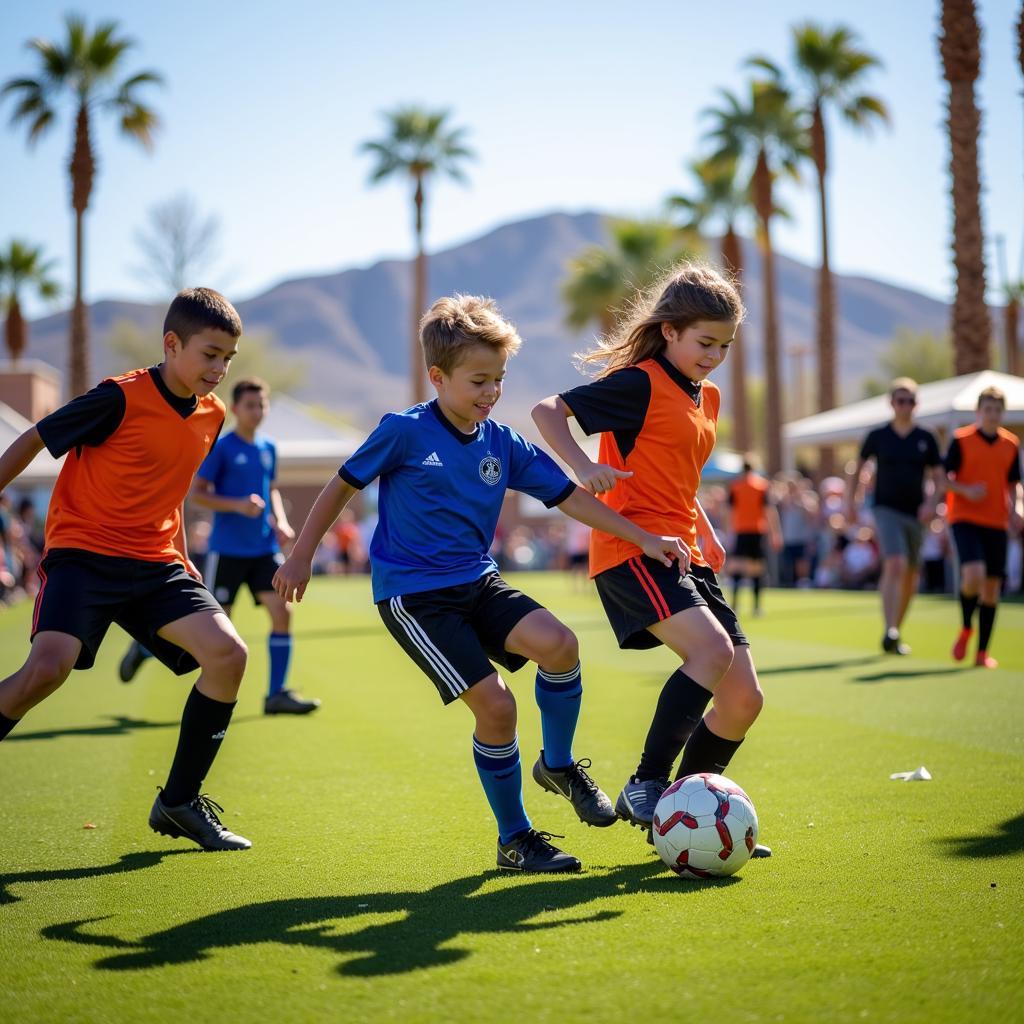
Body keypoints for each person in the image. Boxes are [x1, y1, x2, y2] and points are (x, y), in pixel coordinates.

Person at [273, 294, 687, 873]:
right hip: (415, 597)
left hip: (478, 580)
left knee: (561, 645)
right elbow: (341, 485)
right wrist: (300, 555)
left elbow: (568, 497)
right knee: (496, 708)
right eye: (478, 381)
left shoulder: (503, 442)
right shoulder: (404, 432)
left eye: (498, 380)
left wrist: (642, 537)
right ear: (438, 377)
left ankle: (560, 765)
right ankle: (515, 838)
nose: (491, 393)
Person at [532, 263, 770, 858]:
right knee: (711, 654)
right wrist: (581, 468)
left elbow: (679, 475)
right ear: (669, 331)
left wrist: (708, 530)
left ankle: (686, 818)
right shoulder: (638, 383)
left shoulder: (706, 396)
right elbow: (546, 412)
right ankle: (647, 784)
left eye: (725, 345)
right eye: (704, 342)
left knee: (743, 701)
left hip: (685, 552)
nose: (714, 355)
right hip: (632, 547)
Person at [0, 287, 250, 850]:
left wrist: (184, 558)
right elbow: (37, 439)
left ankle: (179, 803)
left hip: (156, 564)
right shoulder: (118, 397)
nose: (220, 368)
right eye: (210, 354)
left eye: (228, 358)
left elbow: (174, 489)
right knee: (47, 670)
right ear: (172, 343)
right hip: (84, 556)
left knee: (228, 655)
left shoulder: (213, 414)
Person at [119, 378, 320, 716]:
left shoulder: (269, 447)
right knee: (213, 633)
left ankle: (276, 695)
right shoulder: (223, 448)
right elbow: (196, 494)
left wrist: (281, 520)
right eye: (250, 405)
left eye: (262, 405)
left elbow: (271, 490)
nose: (257, 411)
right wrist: (238, 505)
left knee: (282, 614)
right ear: (237, 408)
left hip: (263, 549)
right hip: (226, 552)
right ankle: (146, 650)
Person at [847, 378, 943, 655]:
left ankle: (895, 632)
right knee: (896, 562)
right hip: (885, 509)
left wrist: (933, 504)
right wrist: (851, 503)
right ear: (891, 403)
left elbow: (939, 478)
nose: (905, 406)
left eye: (910, 400)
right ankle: (890, 627)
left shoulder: (927, 437)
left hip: (917, 513)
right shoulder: (878, 436)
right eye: (900, 400)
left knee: (912, 574)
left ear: (917, 404)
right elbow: (858, 467)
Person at [945, 387, 1023, 668]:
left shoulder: (1010, 444)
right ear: (978, 412)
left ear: (1002, 413)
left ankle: (982, 653)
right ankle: (966, 627)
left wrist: (1015, 508)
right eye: (987, 410)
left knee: (991, 589)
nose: (992, 415)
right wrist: (965, 490)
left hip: (996, 521)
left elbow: (1014, 484)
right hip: (964, 517)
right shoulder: (961, 440)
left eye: (997, 410)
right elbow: (944, 479)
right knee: (973, 576)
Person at [727, 458, 782, 615]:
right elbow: (770, 511)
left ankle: (735, 604)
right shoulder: (762, 485)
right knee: (757, 570)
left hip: (740, 530)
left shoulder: (735, 486)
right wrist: (776, 533)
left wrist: (729, 531)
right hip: (757, 531)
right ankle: (756, 607)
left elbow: (729, 512)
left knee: (737, 567)